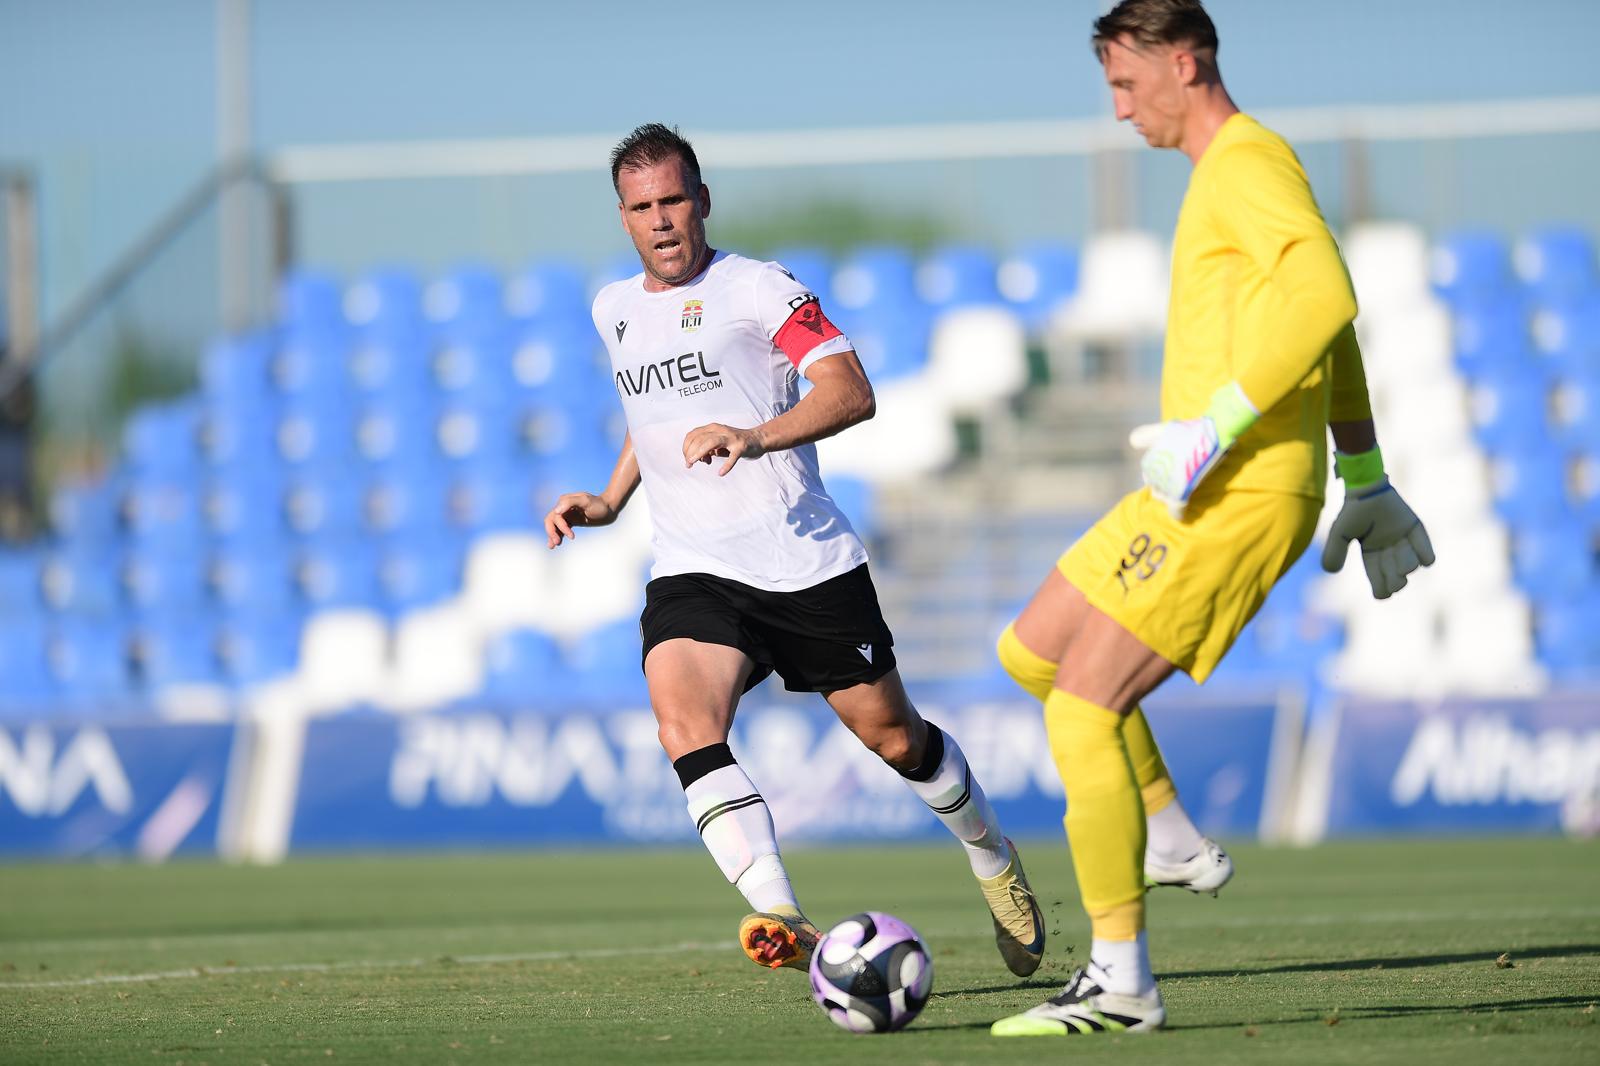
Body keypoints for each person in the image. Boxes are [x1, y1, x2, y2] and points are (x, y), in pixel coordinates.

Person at [990, 0, 1434, 1037]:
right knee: (1033, 651)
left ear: (1184, 63)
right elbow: (1327, 332)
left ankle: (1120, 983)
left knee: (1083, 711)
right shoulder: (1224, 173)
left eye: (1125, 83)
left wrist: (1220, 424)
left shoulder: (1246, 161)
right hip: (1201, 480)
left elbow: (1327, 295)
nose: (1118, 109)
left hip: (1240, 487)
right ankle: (1167, 832)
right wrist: (1364, 472)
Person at [542, 123, 1045, 979]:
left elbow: (852, 392)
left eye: (674, 200)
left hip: (804, 563)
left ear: (702, 201)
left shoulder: (761, 288)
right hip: (694, 569)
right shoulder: (612, 308)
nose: (661, 220)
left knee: (897, 741)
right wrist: (610, 499)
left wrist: (755, 436)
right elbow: (651, 413)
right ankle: (780, 910)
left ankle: (992, 854)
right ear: (622, 218)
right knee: (683, 723)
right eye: (642, 207)